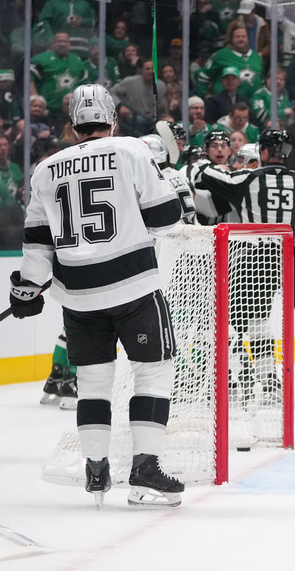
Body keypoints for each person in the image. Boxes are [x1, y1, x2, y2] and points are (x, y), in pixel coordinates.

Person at [10, 84, 186, 507]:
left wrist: (28, 287)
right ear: (114, 121)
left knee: (92, 382)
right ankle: (145, 467)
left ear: (73, 127)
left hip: (79, 297)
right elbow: (166, 219)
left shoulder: (45, 168)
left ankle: (95, 469)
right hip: (134, 287)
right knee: (153, 373)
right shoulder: (129, 150)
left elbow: (36, 242)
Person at [193, 129, 295, 405]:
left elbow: (207, 177)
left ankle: (235, 379)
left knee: (240, 321)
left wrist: (199, 161)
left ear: (263, 153)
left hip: (259, 256)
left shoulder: (247, 178)